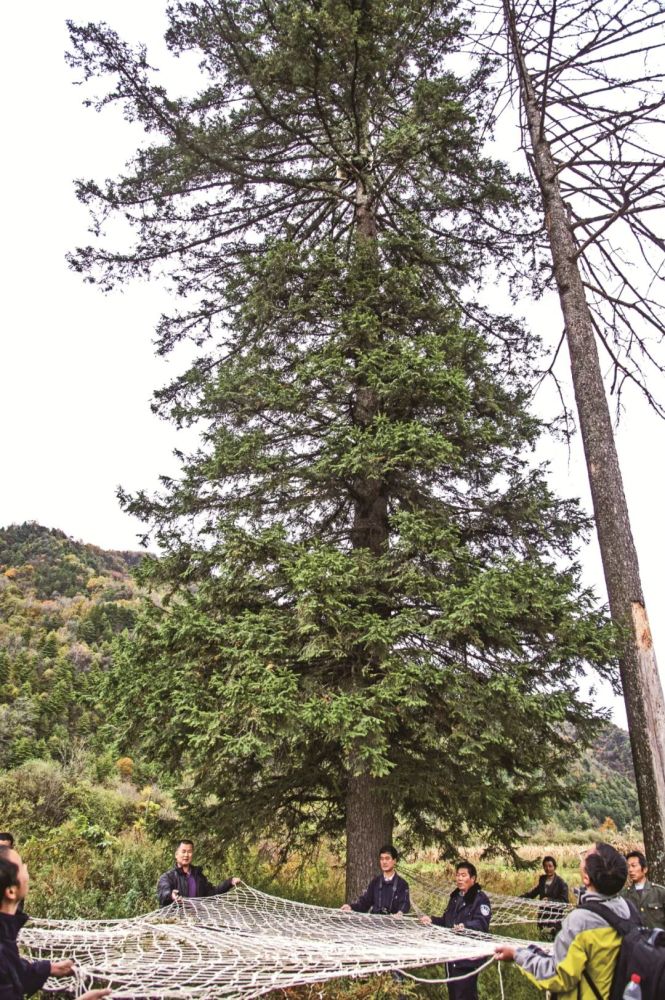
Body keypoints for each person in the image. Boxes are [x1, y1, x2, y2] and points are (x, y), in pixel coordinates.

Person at [495, 841, 633, 999]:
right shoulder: (628, 909)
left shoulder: (580, 922)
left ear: (586, 878)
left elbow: (557, 975)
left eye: (585, 856)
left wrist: (516, 955)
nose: (581, 858)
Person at [0, 846, 109, 1000]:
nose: (26, 868)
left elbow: (14, 972)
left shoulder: (5, 934)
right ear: (11, 891)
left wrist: (50, 968)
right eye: (21, 865)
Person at [419, 860, 491, 1000]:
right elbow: (447, 921)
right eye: (458, 875)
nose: (459, 878)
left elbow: (482, 923)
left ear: (473, 879)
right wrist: (432, 920)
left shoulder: (480, 899)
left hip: (467, 958)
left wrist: (465, 927)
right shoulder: (455, 897)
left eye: (463, 875)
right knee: (453, 994)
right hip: (451, 956)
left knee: (465, 995)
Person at [156, 839, 240, 907]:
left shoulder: (198, 876)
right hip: (176, 922)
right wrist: (171, 895)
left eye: (189, 852)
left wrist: (229, 882)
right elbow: (163, 893)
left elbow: (212, 893)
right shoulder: (168, 877)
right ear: (176, 854)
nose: (186, 855)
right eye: (183, 851)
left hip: (195, 920)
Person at [340, 845, 410, 915]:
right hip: (375, 923)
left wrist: (400, 913)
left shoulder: (402, 884)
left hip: (393, 923)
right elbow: (365, 903)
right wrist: (351, 907)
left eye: (387, 858)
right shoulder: (375, 882)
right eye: (382, 859)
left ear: (394, 861)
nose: (384, 862)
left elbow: (404, 904)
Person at [520, 855, 569, 936]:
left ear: (555, 867)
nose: (548, 869)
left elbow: (564, 903)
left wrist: (549, 900)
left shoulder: (561, 883)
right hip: (542, 919)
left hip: (554, 921)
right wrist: (520, 898)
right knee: (541, 941)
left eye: (550, 866)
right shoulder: (542, 880)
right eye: (545, 866)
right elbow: (533, 893)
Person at [621, 849, 665, 930]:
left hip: (658, 941)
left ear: (644, 869)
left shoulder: (660, 892)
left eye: (634, 865)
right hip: (635, 941)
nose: (630, 870)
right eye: (628, 867)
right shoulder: (623, 895)